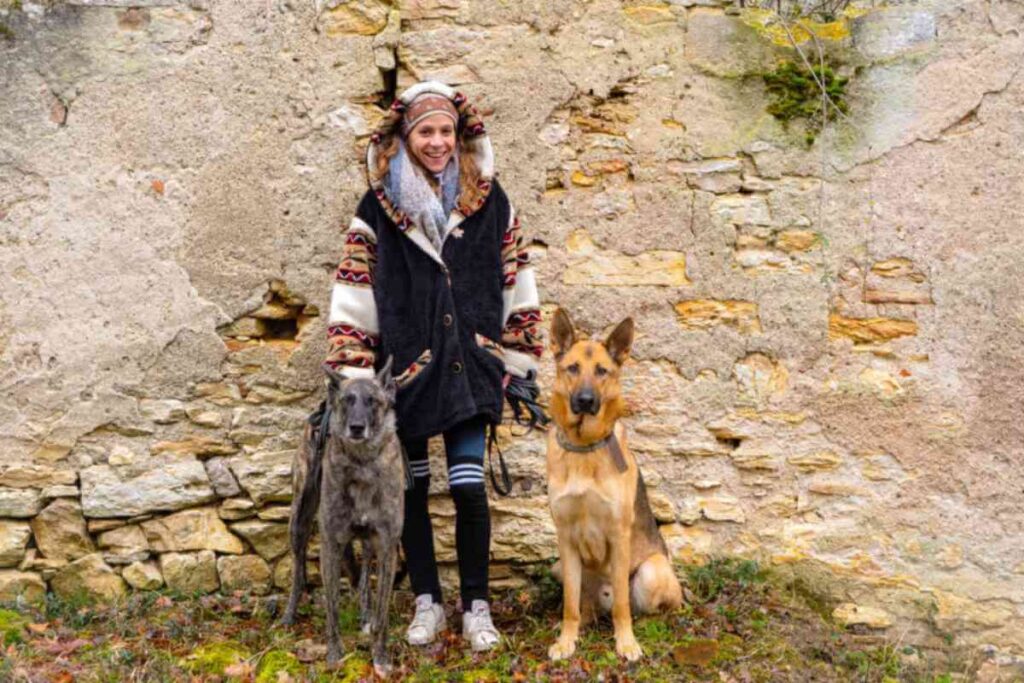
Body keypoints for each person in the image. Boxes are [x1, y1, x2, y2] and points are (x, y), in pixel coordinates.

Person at [324, 80, 543, 652]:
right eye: (426, 131)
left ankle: (476, 607)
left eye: (446, 131)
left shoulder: (490, 201)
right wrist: (354, 373)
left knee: (470, 490)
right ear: (404, 137)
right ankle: (427, 600)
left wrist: (516, 358)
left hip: (472, 364)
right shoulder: (377, 210)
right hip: (409, 375)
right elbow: (353, 293)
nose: (438, 142)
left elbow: (516, 276)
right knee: (412, 491)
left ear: (461, 133)